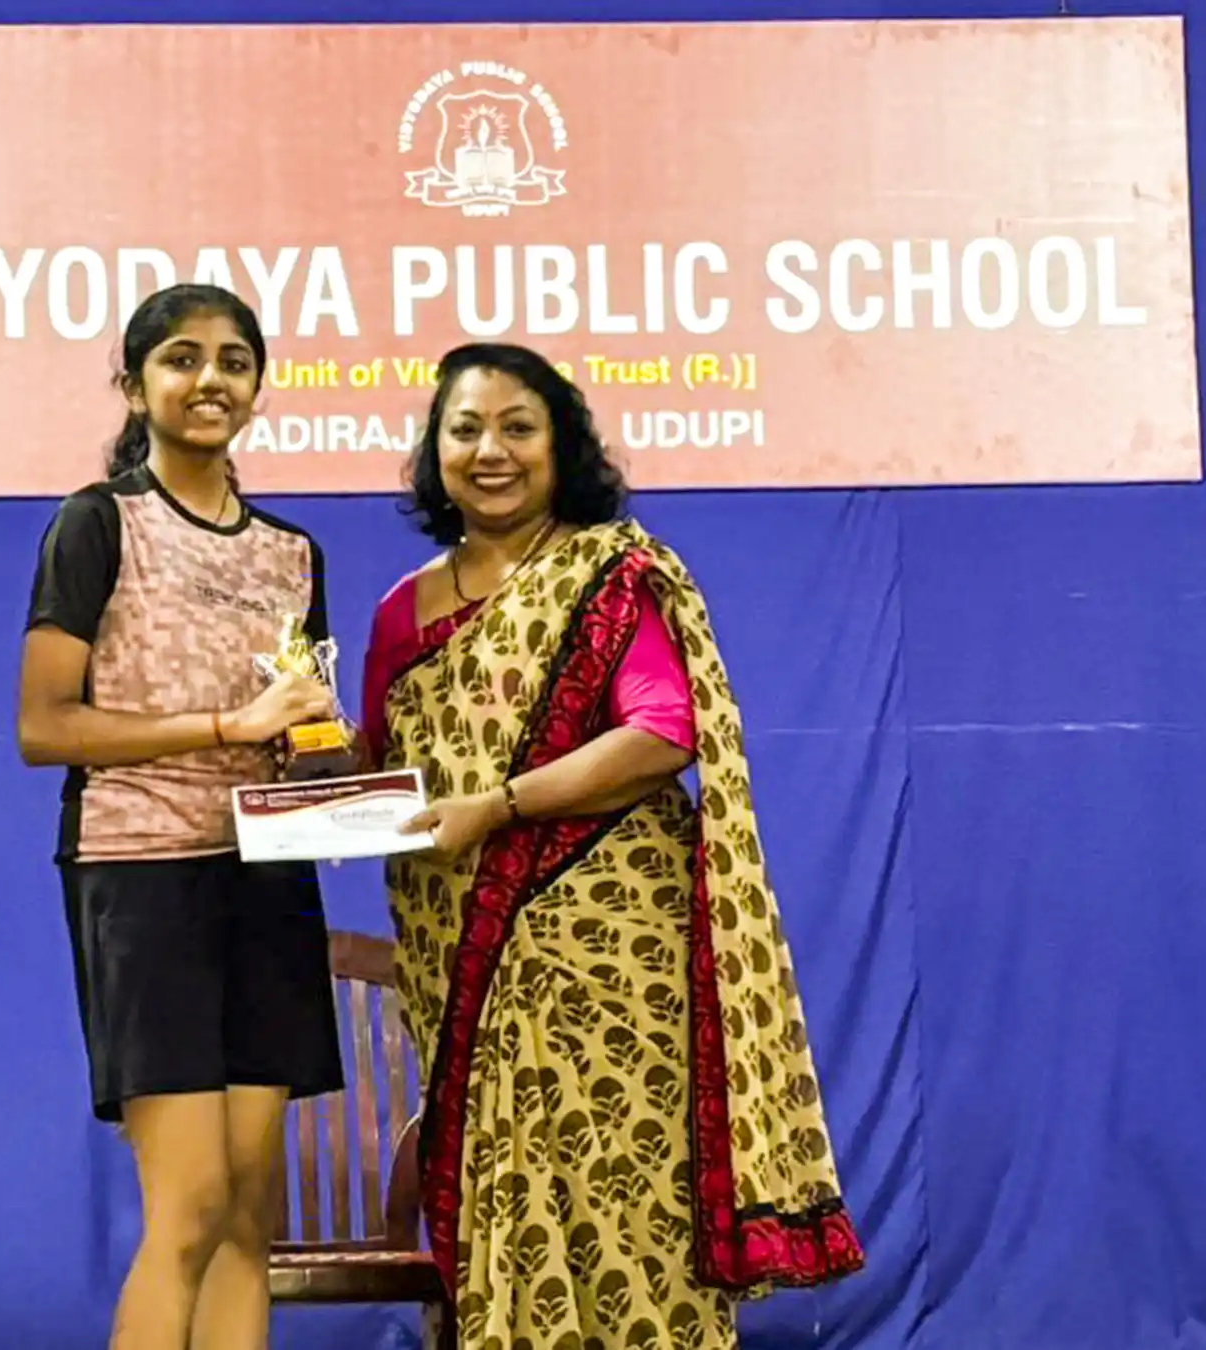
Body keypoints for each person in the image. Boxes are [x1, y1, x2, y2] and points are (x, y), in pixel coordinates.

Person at [360, 343, 866, 1349]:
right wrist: (299, 778)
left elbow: (660, 733)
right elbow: (378, 768)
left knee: (630, 1202)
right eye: (465, 429)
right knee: (500, 1200)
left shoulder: (609, 575)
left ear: (562, 449)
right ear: (434, 451)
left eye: (517, 427)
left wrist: (498, 805)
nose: (489, 450)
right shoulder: (399, 613)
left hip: (614, 951)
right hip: (459, 950)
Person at [15, 283, 346, 1350]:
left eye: (234, 361)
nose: (211, 381)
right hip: (142, 871)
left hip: (265, 875)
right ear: (136, 383)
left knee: (250, 1211)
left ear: (258, 384)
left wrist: (332, 760)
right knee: (191, 1206)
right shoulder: (98, 523)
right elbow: (44, 726)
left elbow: (298, 730)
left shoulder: (294, 553)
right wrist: (221, 723)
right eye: (183, 359)